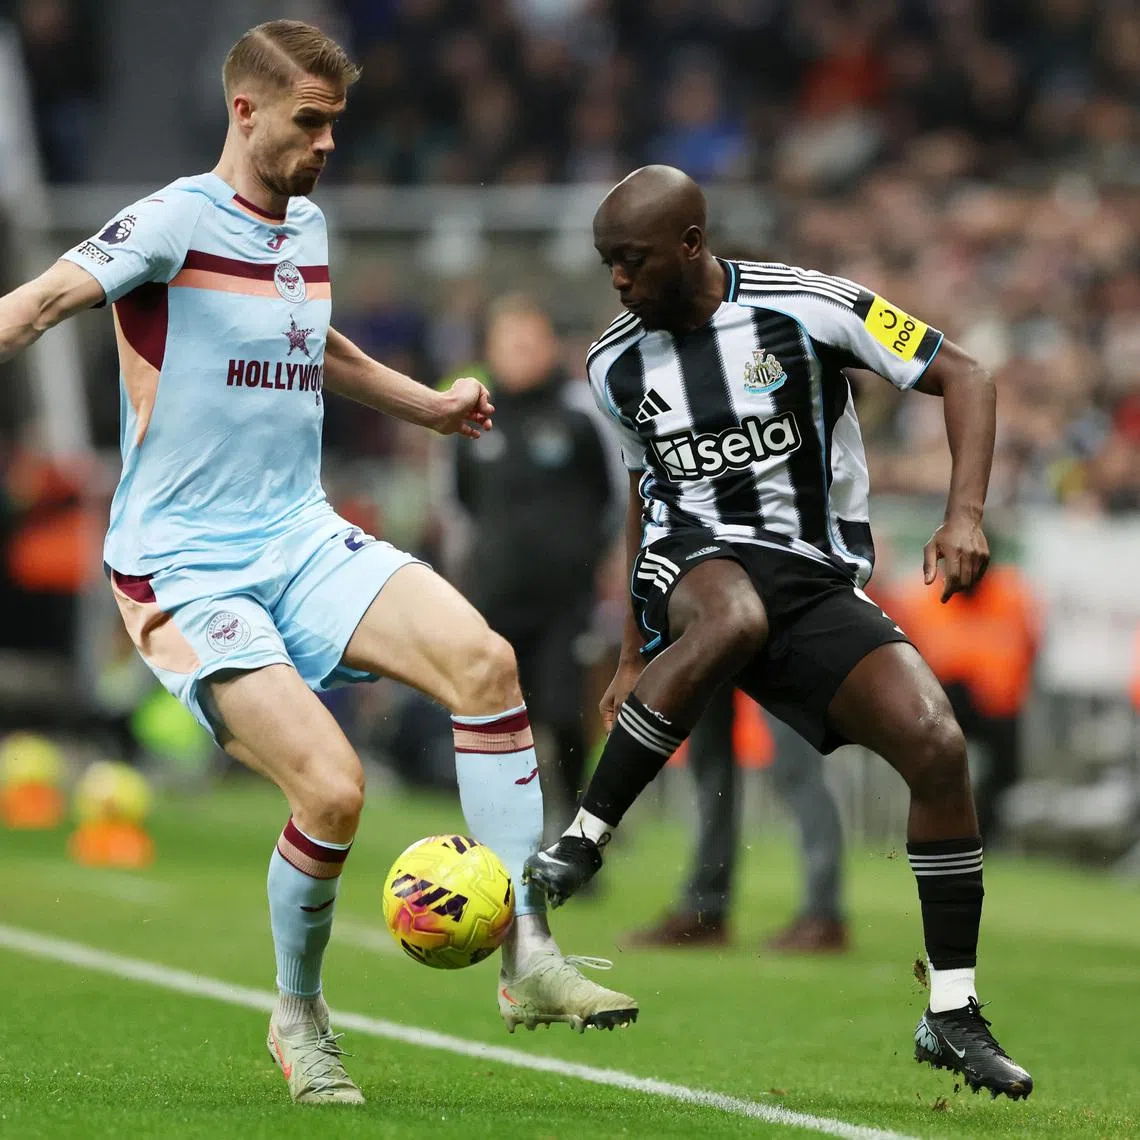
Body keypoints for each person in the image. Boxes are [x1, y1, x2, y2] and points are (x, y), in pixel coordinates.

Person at [0, 20, 636, 1108]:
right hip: (187, 568)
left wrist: (426, 407)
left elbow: (320, 342)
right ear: (245, 111)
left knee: (486, 665)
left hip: (297, 535)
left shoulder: (308, 228)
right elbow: (42, 301)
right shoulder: (170, 221)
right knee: (332, 791)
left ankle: (526, 951)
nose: (329, 144)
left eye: (336, 123)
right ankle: (299, 1013)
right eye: (311, 121)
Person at [524, 165, 1033, 1100]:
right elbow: (647, 491)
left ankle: (951, 1011)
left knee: (936, 745)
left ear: (691, 243)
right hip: (695, 556)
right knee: (732, 614)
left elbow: (966, 373)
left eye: (631, 262)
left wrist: (964, 515)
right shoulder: (615, 363)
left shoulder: (811, 306)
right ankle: (587, 836)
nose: (618, 283)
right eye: (607, 265)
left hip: (811, 573)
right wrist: (637, 648)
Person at [440, 294, 623, 833]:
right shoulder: (471, 420)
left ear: (549, 346)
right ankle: (499, 826)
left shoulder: (580, 413)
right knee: (493, 712)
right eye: (508, 341)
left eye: (529, 340)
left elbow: (616, 497)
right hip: (494, 594)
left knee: (565, 712)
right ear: (491, 350)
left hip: (567, 598)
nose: (520, 351)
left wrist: (591, 559)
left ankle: (574, 824)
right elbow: (458, 505)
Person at [626, 684, 849, 952]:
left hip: (778, 643)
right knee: (708, 762)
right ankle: (704, 912)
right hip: (705, 642)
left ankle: (823, 916)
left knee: (796, 766)